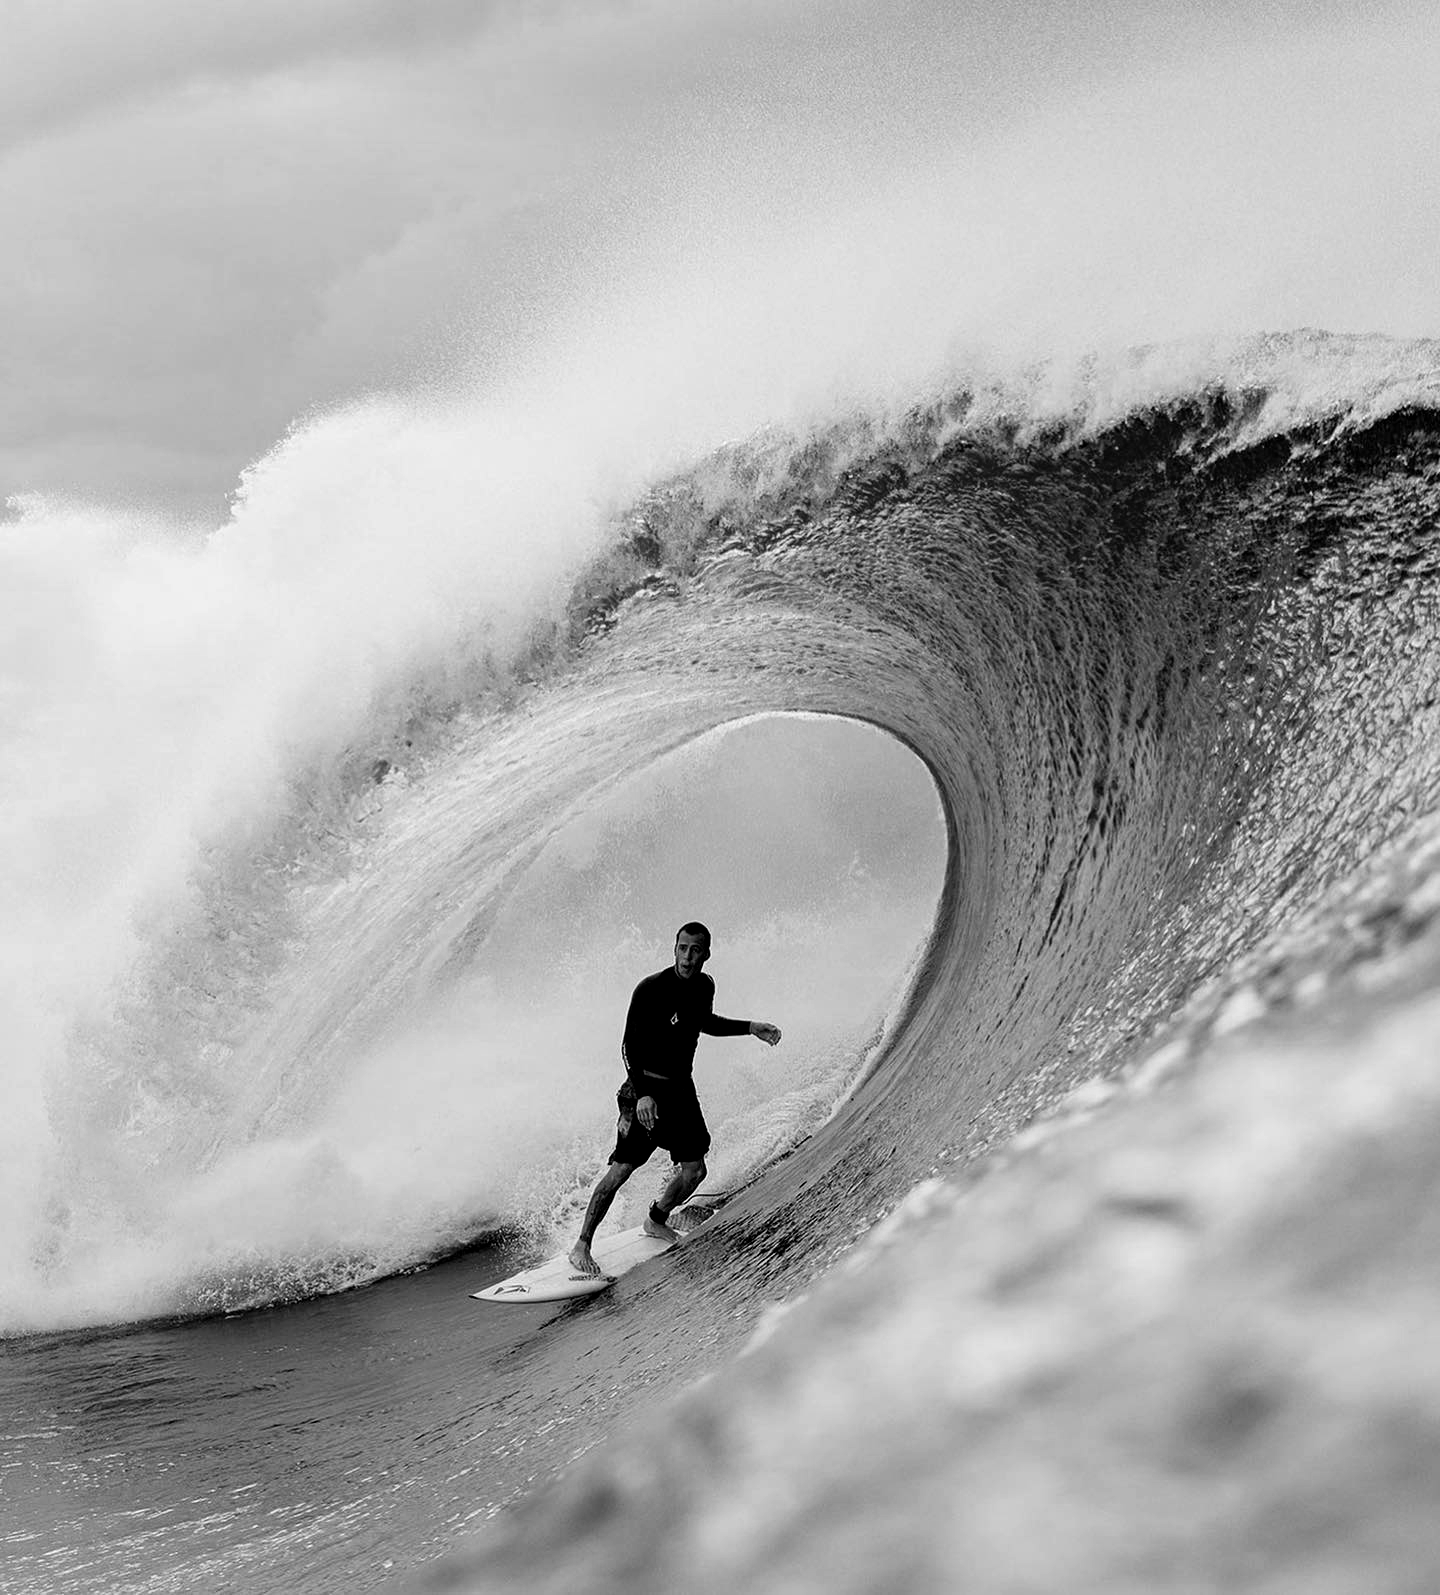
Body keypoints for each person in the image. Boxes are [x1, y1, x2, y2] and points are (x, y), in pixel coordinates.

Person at [568, 922, 781, 1277]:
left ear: (706, 954)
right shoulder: (651, 990)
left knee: (695, 1170)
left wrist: (750, 1027)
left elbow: (704, 1022)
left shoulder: (705, 986)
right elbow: (628, 1047)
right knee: (622, 1169)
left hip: (680, 1090)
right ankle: (581, 1245)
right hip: (645, 1091)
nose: (688, 957)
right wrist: (643, 1095)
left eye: (695, 950)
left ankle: (656, 1218)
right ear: (674, 949)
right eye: (682, 948)